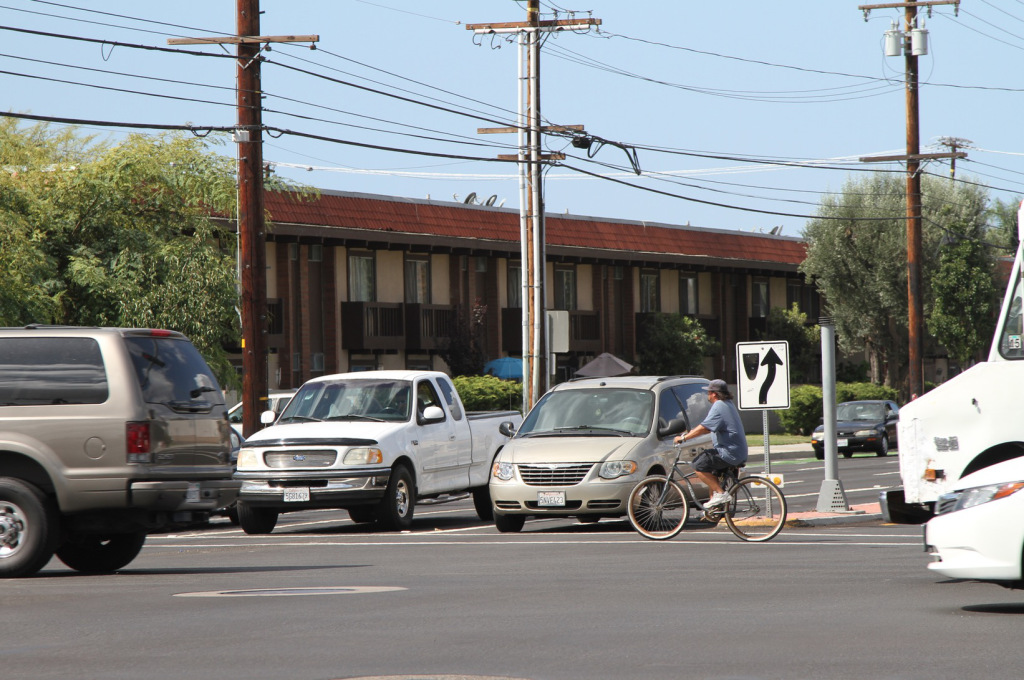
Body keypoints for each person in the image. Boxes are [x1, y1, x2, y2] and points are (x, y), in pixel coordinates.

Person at [674, 379, 748, 508]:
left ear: (714, 394)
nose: (707, 395)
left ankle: (720, 494)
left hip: (728, 453)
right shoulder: (727, 404)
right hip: (736, 452)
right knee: (712, 474)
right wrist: (689, 432)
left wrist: (684, 438)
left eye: (708, 392)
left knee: (698, 464)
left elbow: (704, 428)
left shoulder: (719, 405)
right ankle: (713, 511)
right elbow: (707, 426)